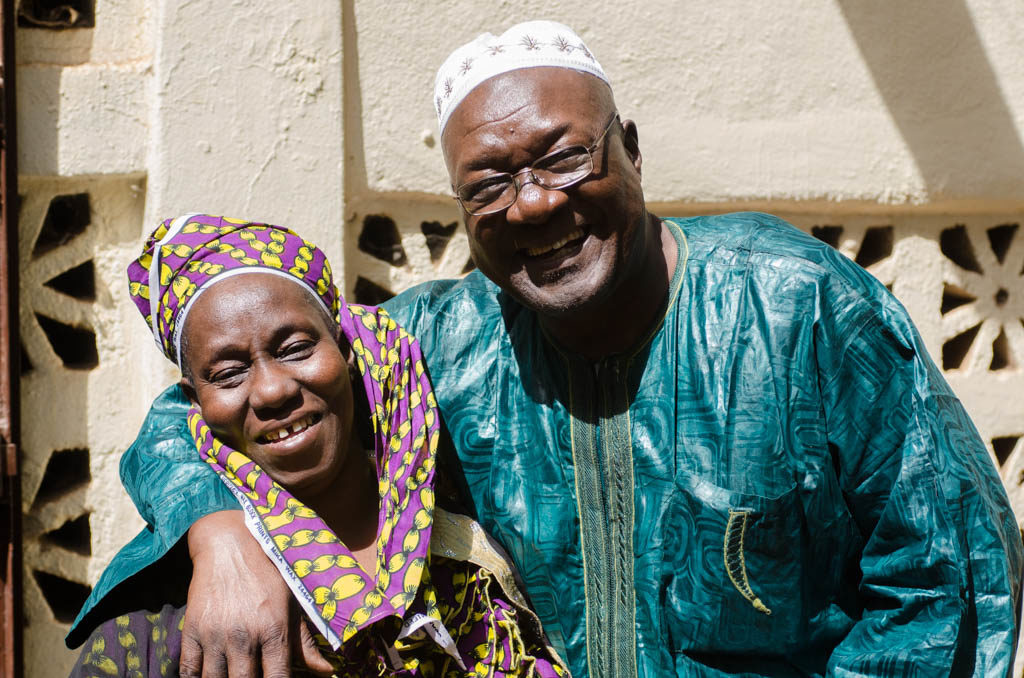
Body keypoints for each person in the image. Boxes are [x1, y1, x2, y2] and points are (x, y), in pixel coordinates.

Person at [68, 21, 1022, 678]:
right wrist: (220, 534)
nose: (532, 203)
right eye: (490, 184)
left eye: (566, 158)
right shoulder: (439, 345)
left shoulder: (800, 308)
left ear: (632, 151)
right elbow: (216, 403)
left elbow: (948, 572)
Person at [68, 214, 568, 677]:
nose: (272, 390)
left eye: (296, 349)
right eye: (228, 374)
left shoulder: (474, 540)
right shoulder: (161, 630)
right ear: (194, 406)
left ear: (350, 351)